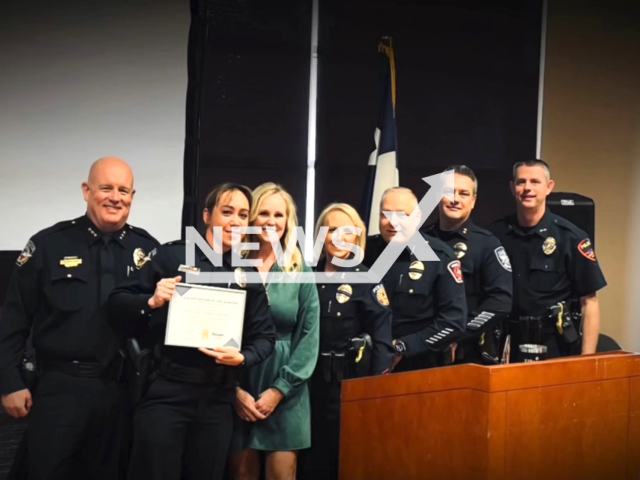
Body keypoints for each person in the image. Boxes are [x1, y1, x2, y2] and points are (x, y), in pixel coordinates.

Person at [0, 157, 159, 480]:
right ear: (87, 191)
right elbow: (13, 319)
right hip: (61, 387)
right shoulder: (49, 244)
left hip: (121, 390)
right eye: (106, 188)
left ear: (132, 196)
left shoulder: (148, 250)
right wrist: (10, 383)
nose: (116, 197)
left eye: (124, 190)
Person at [107, 182, 275, 480]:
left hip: (217, 397)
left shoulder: (246, 273)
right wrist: (152, 299)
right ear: (207, 215)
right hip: (167, 389)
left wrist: (243, 358)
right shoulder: (170, 256)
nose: (235, 221)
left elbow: (265, 338)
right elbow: (116, 304)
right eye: (227, 212)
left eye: (242, 214)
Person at [230, 183, 320, 480]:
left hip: (287, 391)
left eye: (278, 215)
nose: (271, 221)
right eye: (263, 213)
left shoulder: (300, 270)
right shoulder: (231, 265)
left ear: (288, 221)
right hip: (239, 382)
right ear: (252, 218)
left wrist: (279, 391)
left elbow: (309, 337)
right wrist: (233, 390)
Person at [301, 203, 394, 480]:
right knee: (308, 464)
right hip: (305, 388)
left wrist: (373, 394)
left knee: (343, 464)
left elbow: (382, 343)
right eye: (330, 230)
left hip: (349, 391)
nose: (338, 237)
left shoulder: (368, 280)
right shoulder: (307, 276)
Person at [490, 159, 607, 361]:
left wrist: (586, 361)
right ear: (512, 187)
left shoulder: (571, 237)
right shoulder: (496, 234)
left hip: (554, 344)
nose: (527, 188)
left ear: (548, 187)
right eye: (521, 182)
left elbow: (589, 302)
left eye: (535, 182)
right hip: (506, 342)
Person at [363, 187, 467, 372]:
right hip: (367, 364)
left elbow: (453, 322)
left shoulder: (440, 257)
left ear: (417, 217)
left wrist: (402, 347)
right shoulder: (364, 253)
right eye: (386, 214)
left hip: (420, 366)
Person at [424, 165, 512, 364]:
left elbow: (500, 302)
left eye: (464, 194)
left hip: (467, 350)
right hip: (422, 348)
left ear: (473, 201)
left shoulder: (487, 244)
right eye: (449, 192)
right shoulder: (420, 240)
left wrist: (457, 334)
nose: (455, 199)